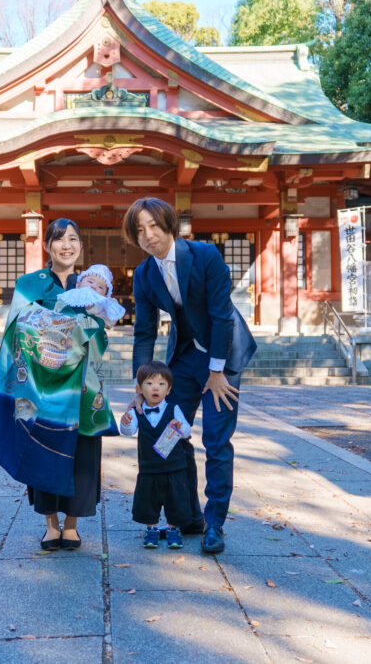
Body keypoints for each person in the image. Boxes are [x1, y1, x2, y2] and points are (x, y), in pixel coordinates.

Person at [123, 197, 257, 554]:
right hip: (182, 359)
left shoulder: (204, 255)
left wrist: (216, 371)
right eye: (139, 231)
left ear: (169, 224)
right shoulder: (144, 274)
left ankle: (215, 524)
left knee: (216, 440)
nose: (148, 236)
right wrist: (140, 386)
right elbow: (144, 332)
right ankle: (188, 515)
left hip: (222, 356)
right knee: (171, 436)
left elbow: (221, 315)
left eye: (153, 225)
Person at [0, 219, 118, 552]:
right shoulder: (30, 284)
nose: (66, 245)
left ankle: (72, 525)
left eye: (73, 239)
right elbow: (16, 328)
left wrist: (91, 325)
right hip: (39, 384)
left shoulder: (91, 282)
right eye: (59, 239)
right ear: (47, 246)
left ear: (81, 247)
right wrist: (61, 328)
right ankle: (50, 524)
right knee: (41, 446)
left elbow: (101, 331)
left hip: (82, 384)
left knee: (83, 451)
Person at [119, 361, 193, 550]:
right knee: (148, 500)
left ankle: (173, 530)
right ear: (139, 388)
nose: (155, 388)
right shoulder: (137, 411)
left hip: (174, 466)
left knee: (175, 499)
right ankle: (151, 529)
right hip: (149, 466)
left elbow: (187, 431)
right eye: (150, 383)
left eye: (161, 384)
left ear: (168, 390)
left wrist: (180, 427)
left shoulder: (174, 409)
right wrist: (126, 421)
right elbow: (128, 431)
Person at [55, 264, 127, 328]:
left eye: (100, 287)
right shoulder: (70, 297)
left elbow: (109, 322)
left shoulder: (102, 306)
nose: (94, 286)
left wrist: (99, 320)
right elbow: (58, 310)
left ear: (105, 296)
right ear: (78, 285)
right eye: (90, 282)